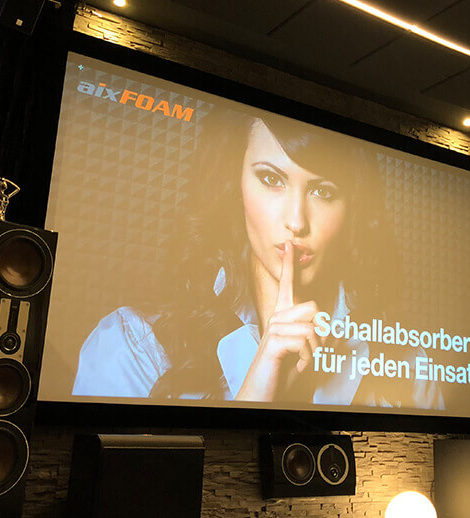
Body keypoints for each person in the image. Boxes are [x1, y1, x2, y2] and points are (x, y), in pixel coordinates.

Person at [72, 108, 442, 409]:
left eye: (323, 191)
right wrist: (257, 393)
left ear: (353, 210)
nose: (296, 221)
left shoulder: (407, 364)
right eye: (271, 179)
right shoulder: (132, 346)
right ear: (235, 186)